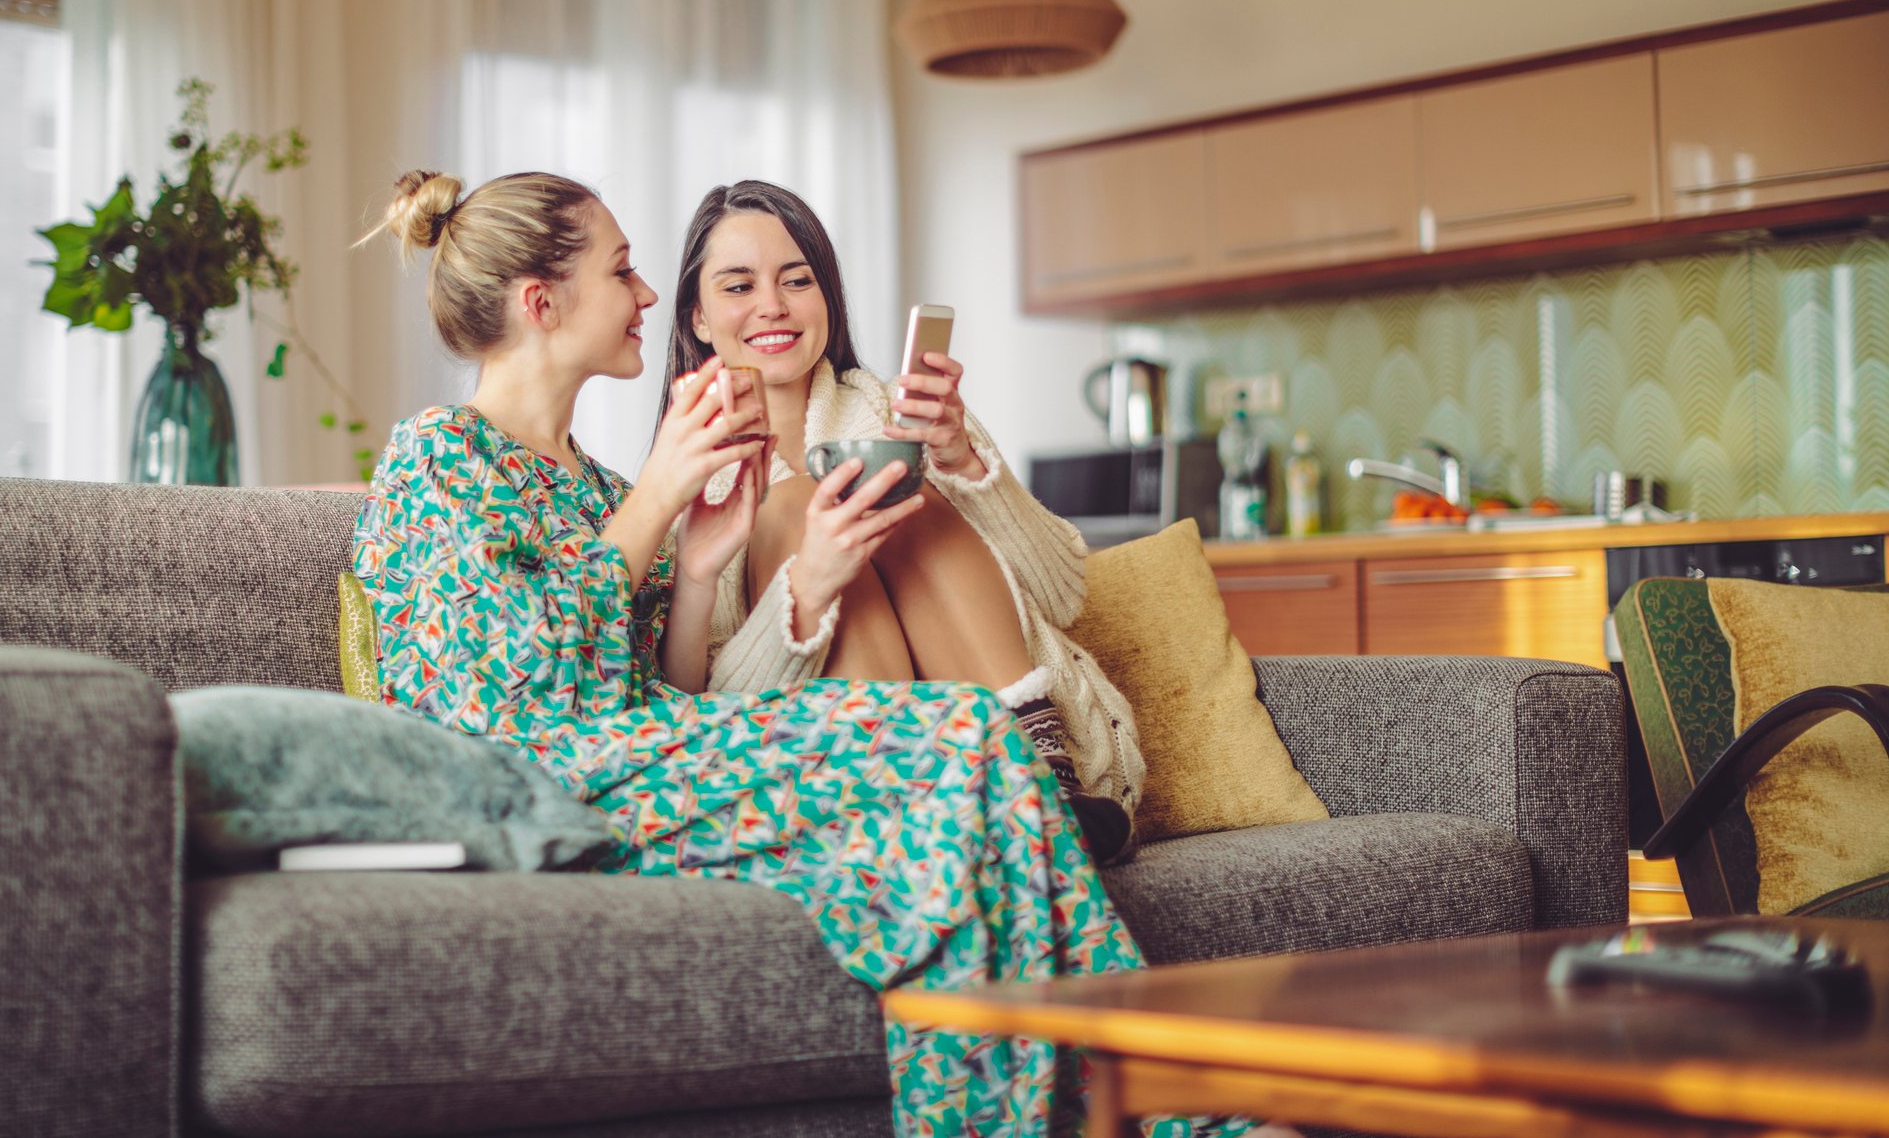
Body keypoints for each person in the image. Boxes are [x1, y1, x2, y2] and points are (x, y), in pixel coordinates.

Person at [348, 168, 1256, 1137]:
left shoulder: (590, 481)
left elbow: (663, 689)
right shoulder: (438, 459)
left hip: (645, 759)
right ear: (542, 302)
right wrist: (658, 506)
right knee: (950, 744)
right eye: (624, 272)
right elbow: (513, 692)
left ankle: (1182, 1112)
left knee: (972, 742)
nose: (647, 294)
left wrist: (696, 572)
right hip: (541, 786)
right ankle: (1184, 1119)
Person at [657, 179, 1142, 863]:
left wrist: (964, 463)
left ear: (827, 296)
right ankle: (928, 793)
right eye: (737, 287)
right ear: (698, 318)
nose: (771, 305)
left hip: (1043, 767)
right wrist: (809, 589)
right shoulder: (677, 484)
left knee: (888, 481)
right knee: (803, 507)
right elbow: (695, 717)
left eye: (796, 280)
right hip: (848, 778)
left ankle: (1042, 789)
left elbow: (1064, 596)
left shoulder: (905, 413)